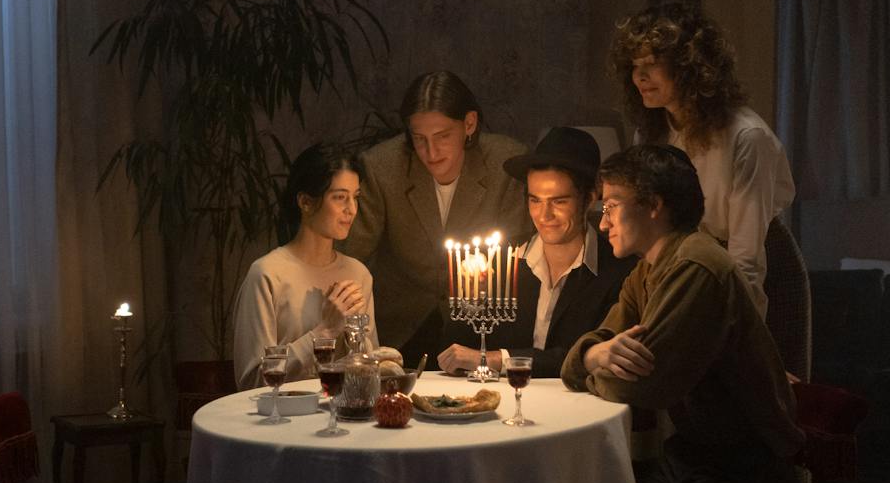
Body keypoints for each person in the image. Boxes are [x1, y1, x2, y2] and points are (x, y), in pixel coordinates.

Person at [561, 144, 803, 483]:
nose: (603, 224)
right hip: (692, 461)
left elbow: (641, 386)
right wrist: (595, 356)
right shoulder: (647, 270)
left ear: (654, 206)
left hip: (745, 477)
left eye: (612, 207)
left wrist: (595, 364)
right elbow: (578, 360)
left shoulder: (696, 266)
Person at [610, 3, 795, 315]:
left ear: (688, 67)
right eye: (634, 66)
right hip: (682, 273)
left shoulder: (746, 137)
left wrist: (735, 329)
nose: (639, 76)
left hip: (746, 279)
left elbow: (746, 259)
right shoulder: (650, 133)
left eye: (652, 64)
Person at [342, 71, 529, 361]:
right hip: (401, 329)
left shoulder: (506, 164)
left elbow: (518, 256)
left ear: (469, 124)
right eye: (419, 139)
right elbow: (352, 255)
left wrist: (485, 274)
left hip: (482, 327)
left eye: (443, 136)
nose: (431, 152)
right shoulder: (382, 168)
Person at [437, 127, 636, 378]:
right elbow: (455, 354)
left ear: (589, 199)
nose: (544, 215)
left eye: (559, 201)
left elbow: (592, 356)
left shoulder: (619, 272)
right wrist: (471, 296)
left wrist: (497, 359)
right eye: (535, 200)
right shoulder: (499, 262)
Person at [230, 144, 377, 391]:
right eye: (340, 197)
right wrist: (325, 332)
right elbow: (251, 381)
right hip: (281, 413)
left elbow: (370, 371)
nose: (351, 209)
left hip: (344, 411)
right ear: (306, 202)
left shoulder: (358, 274)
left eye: (356, 197)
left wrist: (356, 341)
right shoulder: (267, 274)